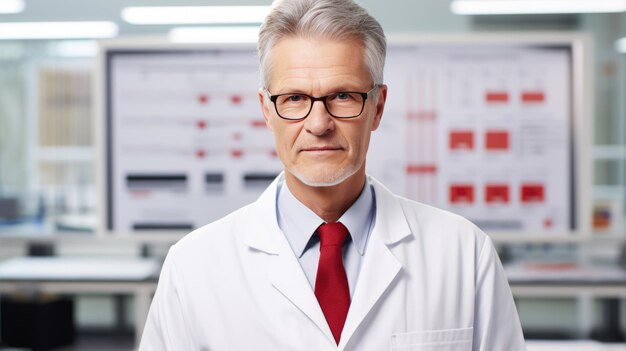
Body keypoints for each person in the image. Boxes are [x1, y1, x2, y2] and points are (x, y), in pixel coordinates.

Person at [139, 0, 526, 349]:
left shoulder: (463, 253)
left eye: (342, 96)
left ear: (377, 107)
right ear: (266, 110)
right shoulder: (194, 267)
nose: (319, 123)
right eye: (294, 98)